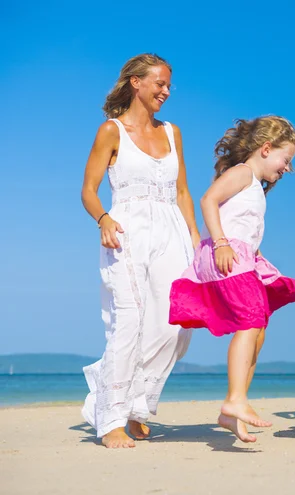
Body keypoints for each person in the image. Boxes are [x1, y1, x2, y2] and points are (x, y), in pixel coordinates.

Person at [80, 54, 200, 448]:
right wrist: (104, 220)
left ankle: (136, 402)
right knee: (129, 320)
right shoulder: (111, 131)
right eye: (159, 84)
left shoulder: (172, 133)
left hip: (172, 229)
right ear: (136, 82)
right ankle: (113, 416)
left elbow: (183, 191)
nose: (165, 92)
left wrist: (196, 240)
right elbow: (89, 190)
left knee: (176, 322)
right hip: (127, 228)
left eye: (169, 86)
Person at [169, 116, 295, 443]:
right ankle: (235, 399)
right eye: (285, 160)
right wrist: (221, 242)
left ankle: (233, 410)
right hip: (223, 252)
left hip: (241, 255)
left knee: (258, 328)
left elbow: (243, 225)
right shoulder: (243, 173)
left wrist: (254, 255)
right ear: (266, 148)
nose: (287, 168)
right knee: (249, 321)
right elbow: (208, 200)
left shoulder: (256, 187)